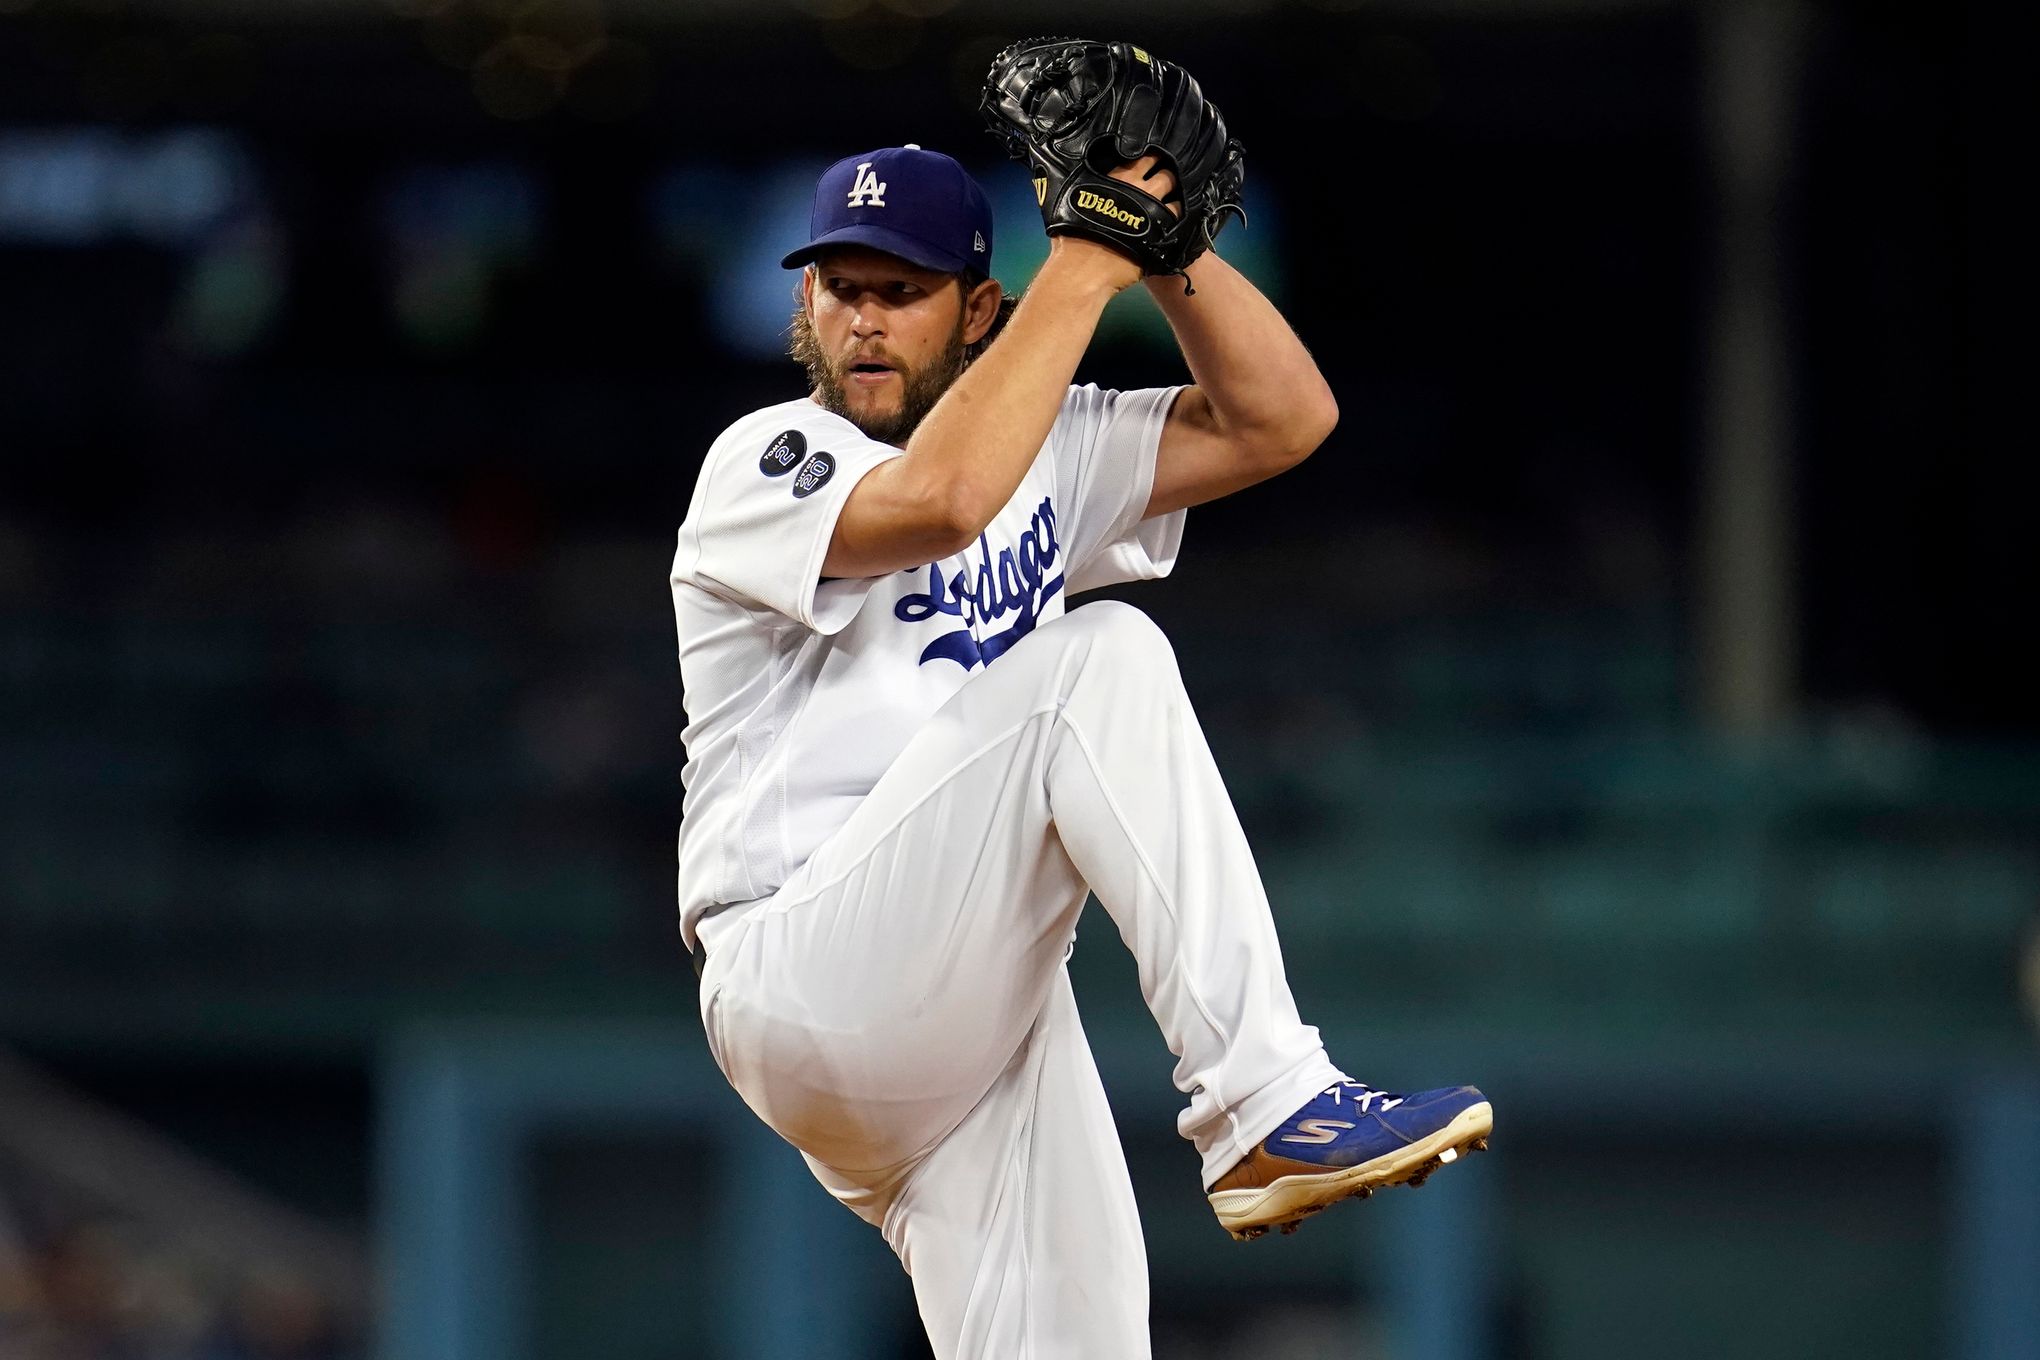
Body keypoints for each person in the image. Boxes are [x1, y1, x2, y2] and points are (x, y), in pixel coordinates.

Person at [670, 141, 1491, 1357]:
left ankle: (1261, 1111)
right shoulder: (768, 459)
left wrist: (1167, 250)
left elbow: (1284, 419)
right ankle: (1264, 1098)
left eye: (901, 290)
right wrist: (1086, 263)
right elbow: (942, 501)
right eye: (840, 287)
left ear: (977, 307)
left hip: (969, 1027)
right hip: (800, 961)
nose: (865, 320)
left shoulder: (1045, 444)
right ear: (805, 303)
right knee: (1097, 657)